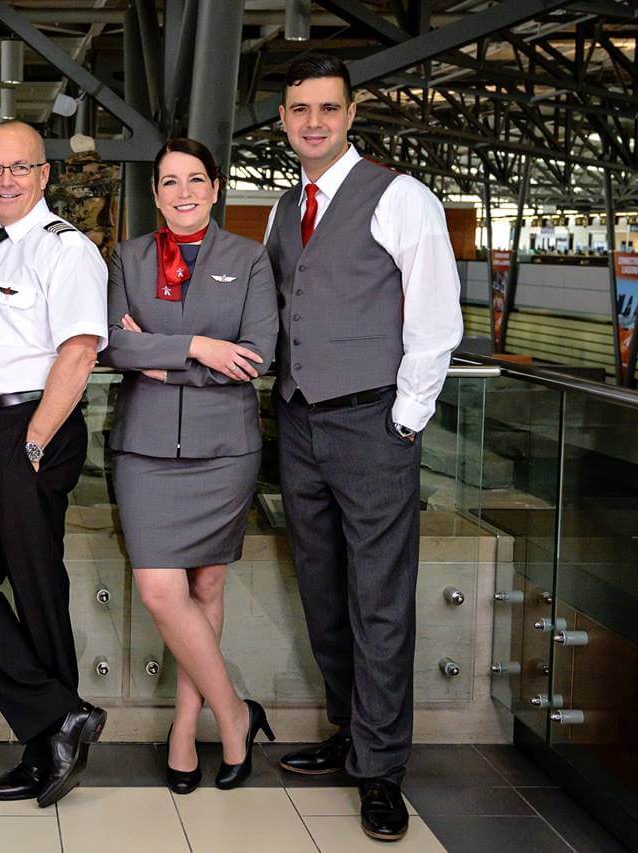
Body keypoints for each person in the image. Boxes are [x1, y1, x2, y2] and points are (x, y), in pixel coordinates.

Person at [264, 54, 463, 841]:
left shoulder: (401, 196)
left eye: (327, 108)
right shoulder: (286, 206)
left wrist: (405, 420)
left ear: (351, 114)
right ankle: (350, 731)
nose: (313, 121)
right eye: (299, 109)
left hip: (373, 421)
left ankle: (380, 769)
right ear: (283, 118)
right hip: (301, 422)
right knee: (322, 586)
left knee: (378, 598)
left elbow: (435, 316)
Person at [0, 120, 109, 808]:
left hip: (34, 427)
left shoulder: (67, 251)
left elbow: (80, 350)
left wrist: (34, 440)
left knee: (36, 588)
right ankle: (58, 717)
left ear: (43, 175)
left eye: (19, 167)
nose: (5, 179)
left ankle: (48, 746)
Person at [99, 138, 278, 794]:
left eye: (194, 180)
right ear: (154, 192)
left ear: (216, 186)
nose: (182, 192)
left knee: (206, 589)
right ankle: (235, 711)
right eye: (169, 182)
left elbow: (255, 356)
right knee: (160, 589)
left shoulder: (249, 258)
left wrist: (161, 353)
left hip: (224, 451)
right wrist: (201, 346)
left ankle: (185, 727)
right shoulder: (128, 256)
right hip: (145, 449)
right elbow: (112, 345)